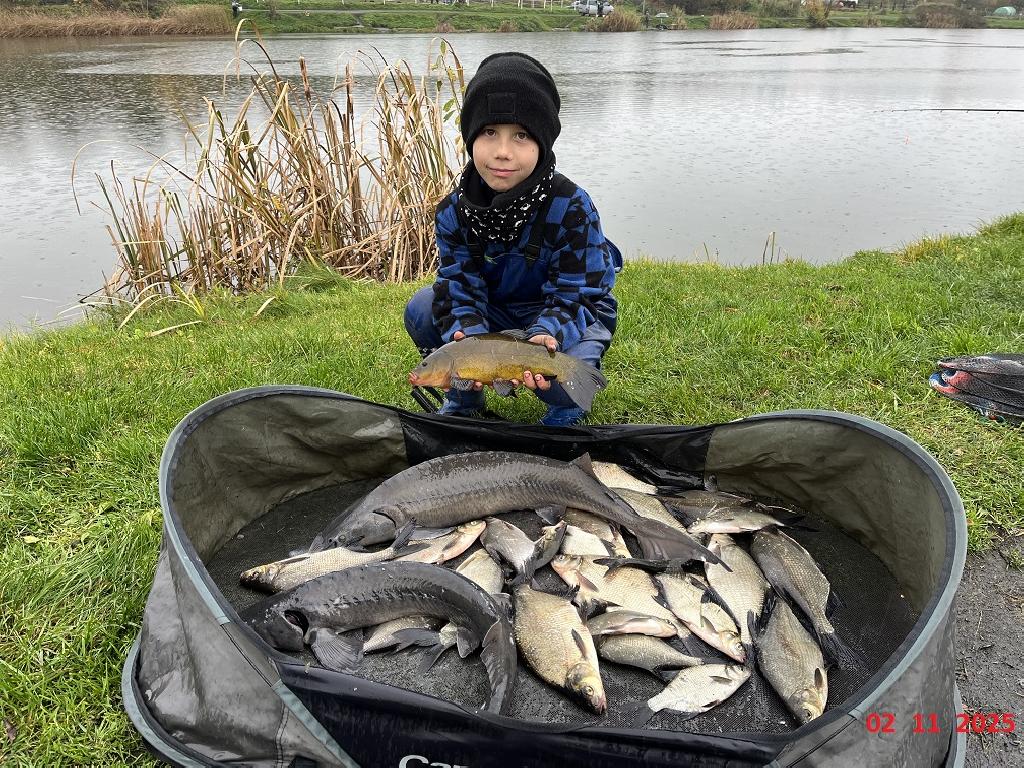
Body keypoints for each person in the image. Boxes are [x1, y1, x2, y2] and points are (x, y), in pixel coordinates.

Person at [404, 52, 621, 428]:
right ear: (471, 137)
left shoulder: (572, 206)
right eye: (489, 133)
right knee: (423, 308)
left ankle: (567, 407)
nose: (503, 152)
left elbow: (579, 293)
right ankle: (464, 399)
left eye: (521, 135)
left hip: (564, 311)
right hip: (498, 312)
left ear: (542, 143)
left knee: (563, 375)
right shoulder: (453, 211)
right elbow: (459, 286)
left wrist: (546, 334)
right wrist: (470, 341)